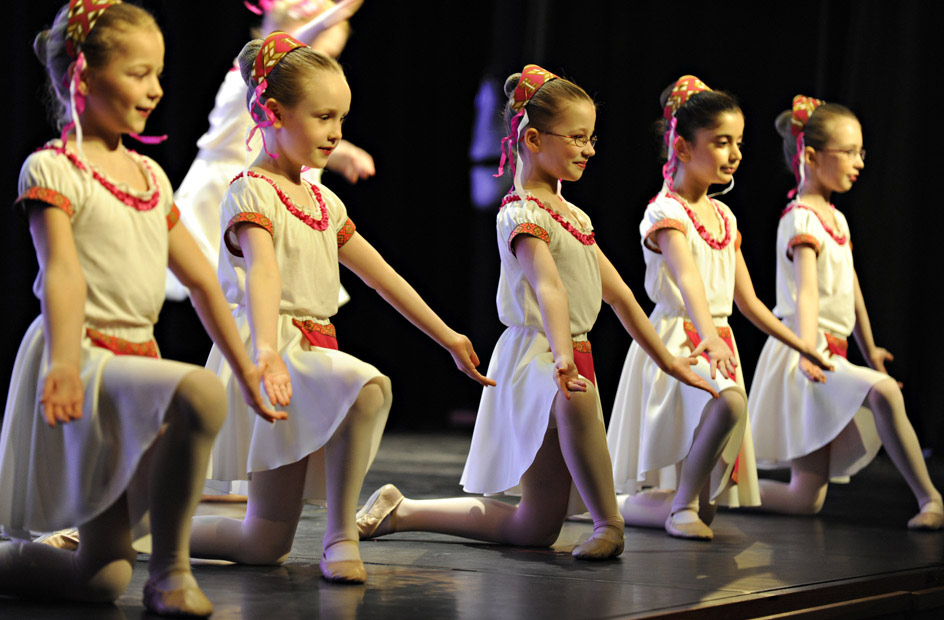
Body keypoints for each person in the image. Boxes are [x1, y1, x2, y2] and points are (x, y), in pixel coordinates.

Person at [0, 2, 285, 616]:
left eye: (158, 73)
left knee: (98, 578)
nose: (154, 89)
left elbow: (205, 284)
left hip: (134, 358)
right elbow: (63, 276)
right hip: (85, 356)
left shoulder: (150, 175)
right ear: (81, 75)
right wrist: (67, 364)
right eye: (137, 73)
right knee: (199, 395)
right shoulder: (52, 167)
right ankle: (172, 575)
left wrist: (249, 368)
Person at [354, 65, 717, 561]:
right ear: (531, 138)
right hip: (538, 356)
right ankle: (609, 522)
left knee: (535, 528)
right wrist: (564, 356)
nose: (589, 149)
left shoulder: (575, 217)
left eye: (591, 138)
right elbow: (550, 290)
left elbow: (622, 297)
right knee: (575, 398)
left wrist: (668, 360)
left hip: (569, 354)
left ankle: (404, 510)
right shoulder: (521, 213)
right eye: (577, 137)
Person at [186, 32, 494, 584]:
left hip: (311, 347)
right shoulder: (250, 191)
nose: (336, 133)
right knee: (369, 385)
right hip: (275, 347)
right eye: (324, 116)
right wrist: (264, 354)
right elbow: (263, 272)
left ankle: (143, 522)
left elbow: (382, 278)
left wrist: (447, 335)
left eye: (343, 120)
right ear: (271, 112)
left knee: (263, 542)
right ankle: (341, 536)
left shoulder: (323, 201)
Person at [606, 76, 831, 540]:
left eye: (739, 143)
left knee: (709, 507)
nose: (735, 153)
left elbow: (747, 302)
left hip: (716, 338)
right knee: (726, 403)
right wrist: (707, 336)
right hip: (678, 340)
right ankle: (677, 505)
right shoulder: (665, 212)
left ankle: (606, 505)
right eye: (722, 142)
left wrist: (803, 346)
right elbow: (687, 278)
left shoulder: (724, 217)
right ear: (683, 148)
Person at [747, 96, 942, 530]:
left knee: (804, 498)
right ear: (812, 157)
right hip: (807, 350)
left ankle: (713, 490)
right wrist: (808, 349)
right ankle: (930, 499)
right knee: (885, 393)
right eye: (849, 152)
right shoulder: (801, 219)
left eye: (861, 152)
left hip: (827, 350)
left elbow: (851, 289)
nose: (859, 162)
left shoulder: (835, 218)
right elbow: (809, 295)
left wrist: (870, 350)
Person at [166, 0, 372, 303]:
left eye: (331, 57)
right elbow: (282, 58)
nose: (324, 69)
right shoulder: (244, 82)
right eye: (317, 55)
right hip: (225, 208)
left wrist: (343, 154)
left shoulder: (300, 104)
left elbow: (291, 138)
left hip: (278, 205)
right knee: (226, 298)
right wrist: (334, 13)